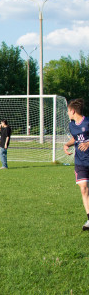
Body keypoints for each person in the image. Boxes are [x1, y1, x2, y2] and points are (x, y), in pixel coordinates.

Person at [63, 98, 89, 231]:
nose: (68, 113)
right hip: (80, 162)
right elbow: (76, 137)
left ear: (73, 111)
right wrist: (67, 144)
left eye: (68, 111)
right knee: (83, 189)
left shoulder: (88, 122)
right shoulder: (71, 125)